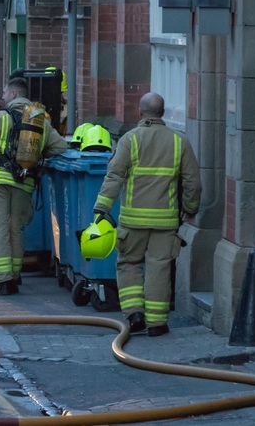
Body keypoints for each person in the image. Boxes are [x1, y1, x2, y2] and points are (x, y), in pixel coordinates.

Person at [92, 92, 201, 337]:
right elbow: (193, 182)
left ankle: (134, 313)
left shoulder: (129, 140)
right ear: (162, 113)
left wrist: (102, 207)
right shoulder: (179, 141)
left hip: (132, 221)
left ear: (140, 112)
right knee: (159, 268)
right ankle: (157, 323)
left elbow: (115, 176)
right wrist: (190, 208)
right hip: (165, 222)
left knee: (128, 264)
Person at [0, 77, 68, 295]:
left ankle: (3, 282)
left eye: (5, 93)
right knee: (16, 230)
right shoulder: (40, 120)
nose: (2, 97)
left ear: (14, 94)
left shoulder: (2, 117)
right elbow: (60, 147)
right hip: (25, 184)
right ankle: (13, 277)